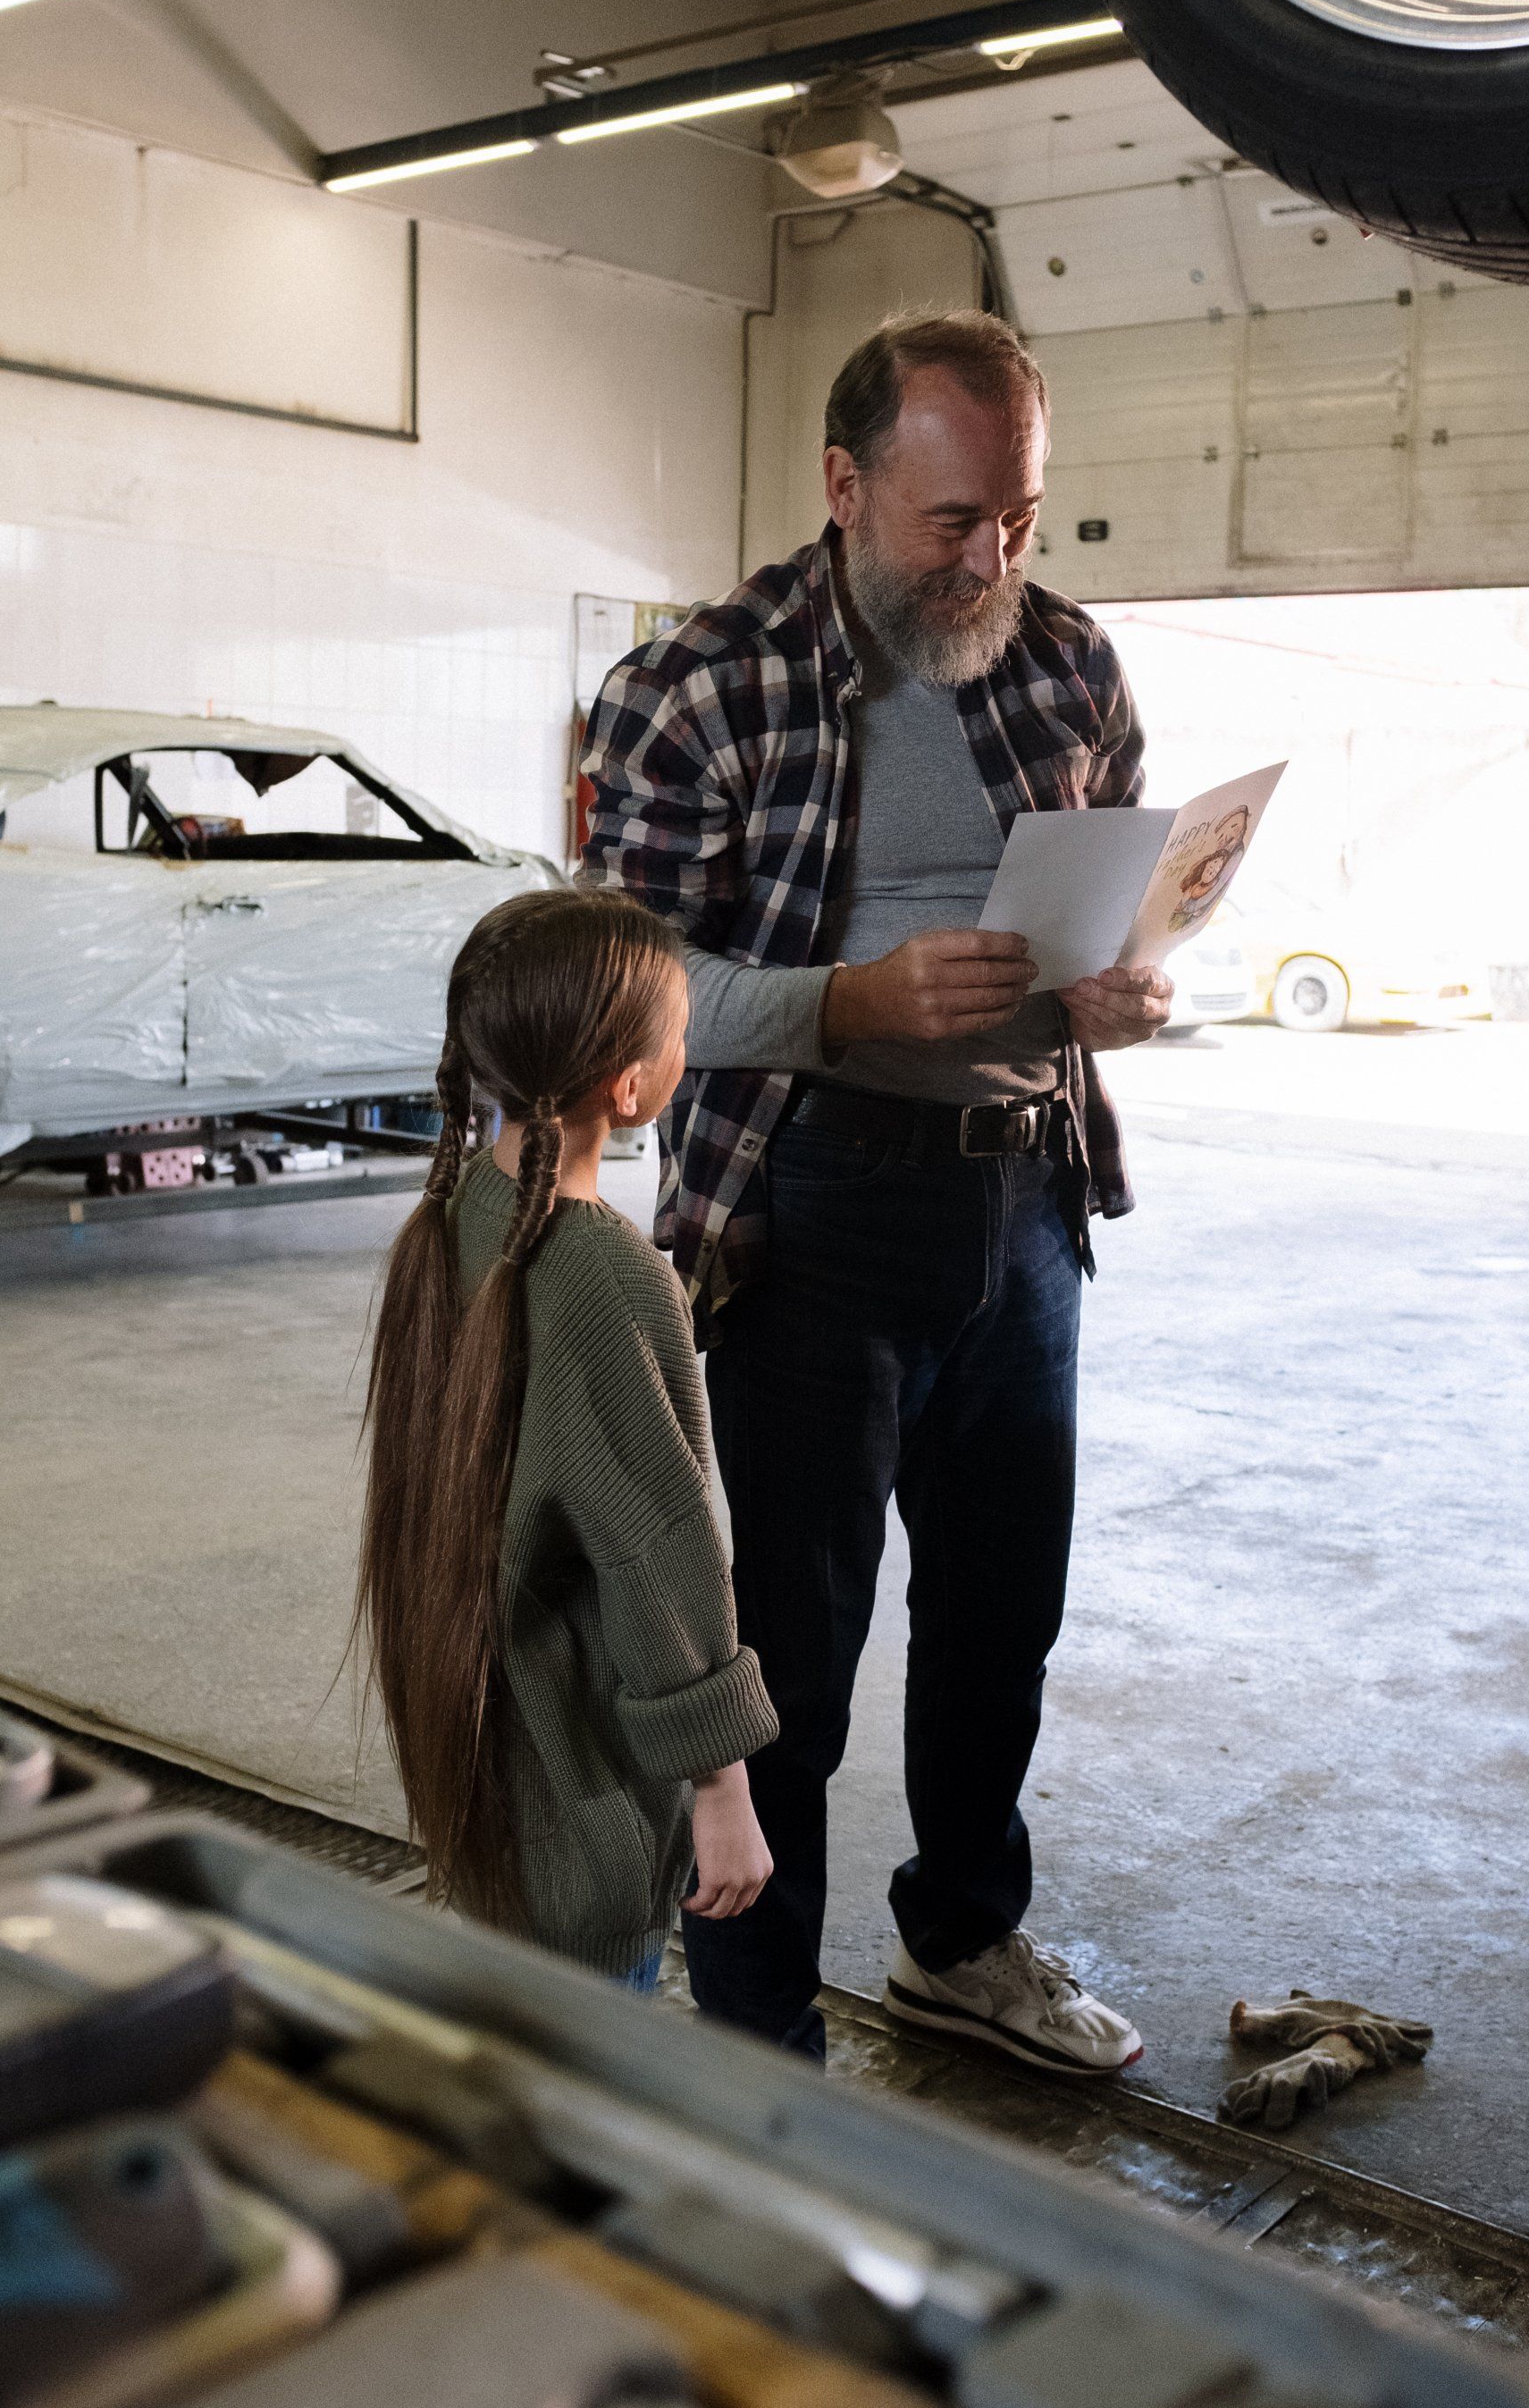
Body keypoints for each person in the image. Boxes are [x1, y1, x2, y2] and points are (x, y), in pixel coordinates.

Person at [579, 309, 1173, 2067]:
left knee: (1002, 1619)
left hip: (1024, 1207)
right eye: (953, 521)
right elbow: (622, 985)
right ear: (844, 486)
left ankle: (964, 1944)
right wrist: (838, 1005)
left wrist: (1122, 996)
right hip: (802, 1219)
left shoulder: (1068, 667)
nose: (994, 557)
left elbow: (1121, 906)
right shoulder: (700, 688)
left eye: (1022, 513)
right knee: (790, 1662)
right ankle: (759, 2030)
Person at [357, 888, 777, 1991]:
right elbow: (662, 1562)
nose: (688, 1049)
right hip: (579, 1796)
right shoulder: (606, 1275)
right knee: (578, 2078)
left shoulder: (448, 1222)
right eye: (682, 1033)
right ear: (631, 1087)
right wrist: (721, 1791)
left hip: (484, 1762)